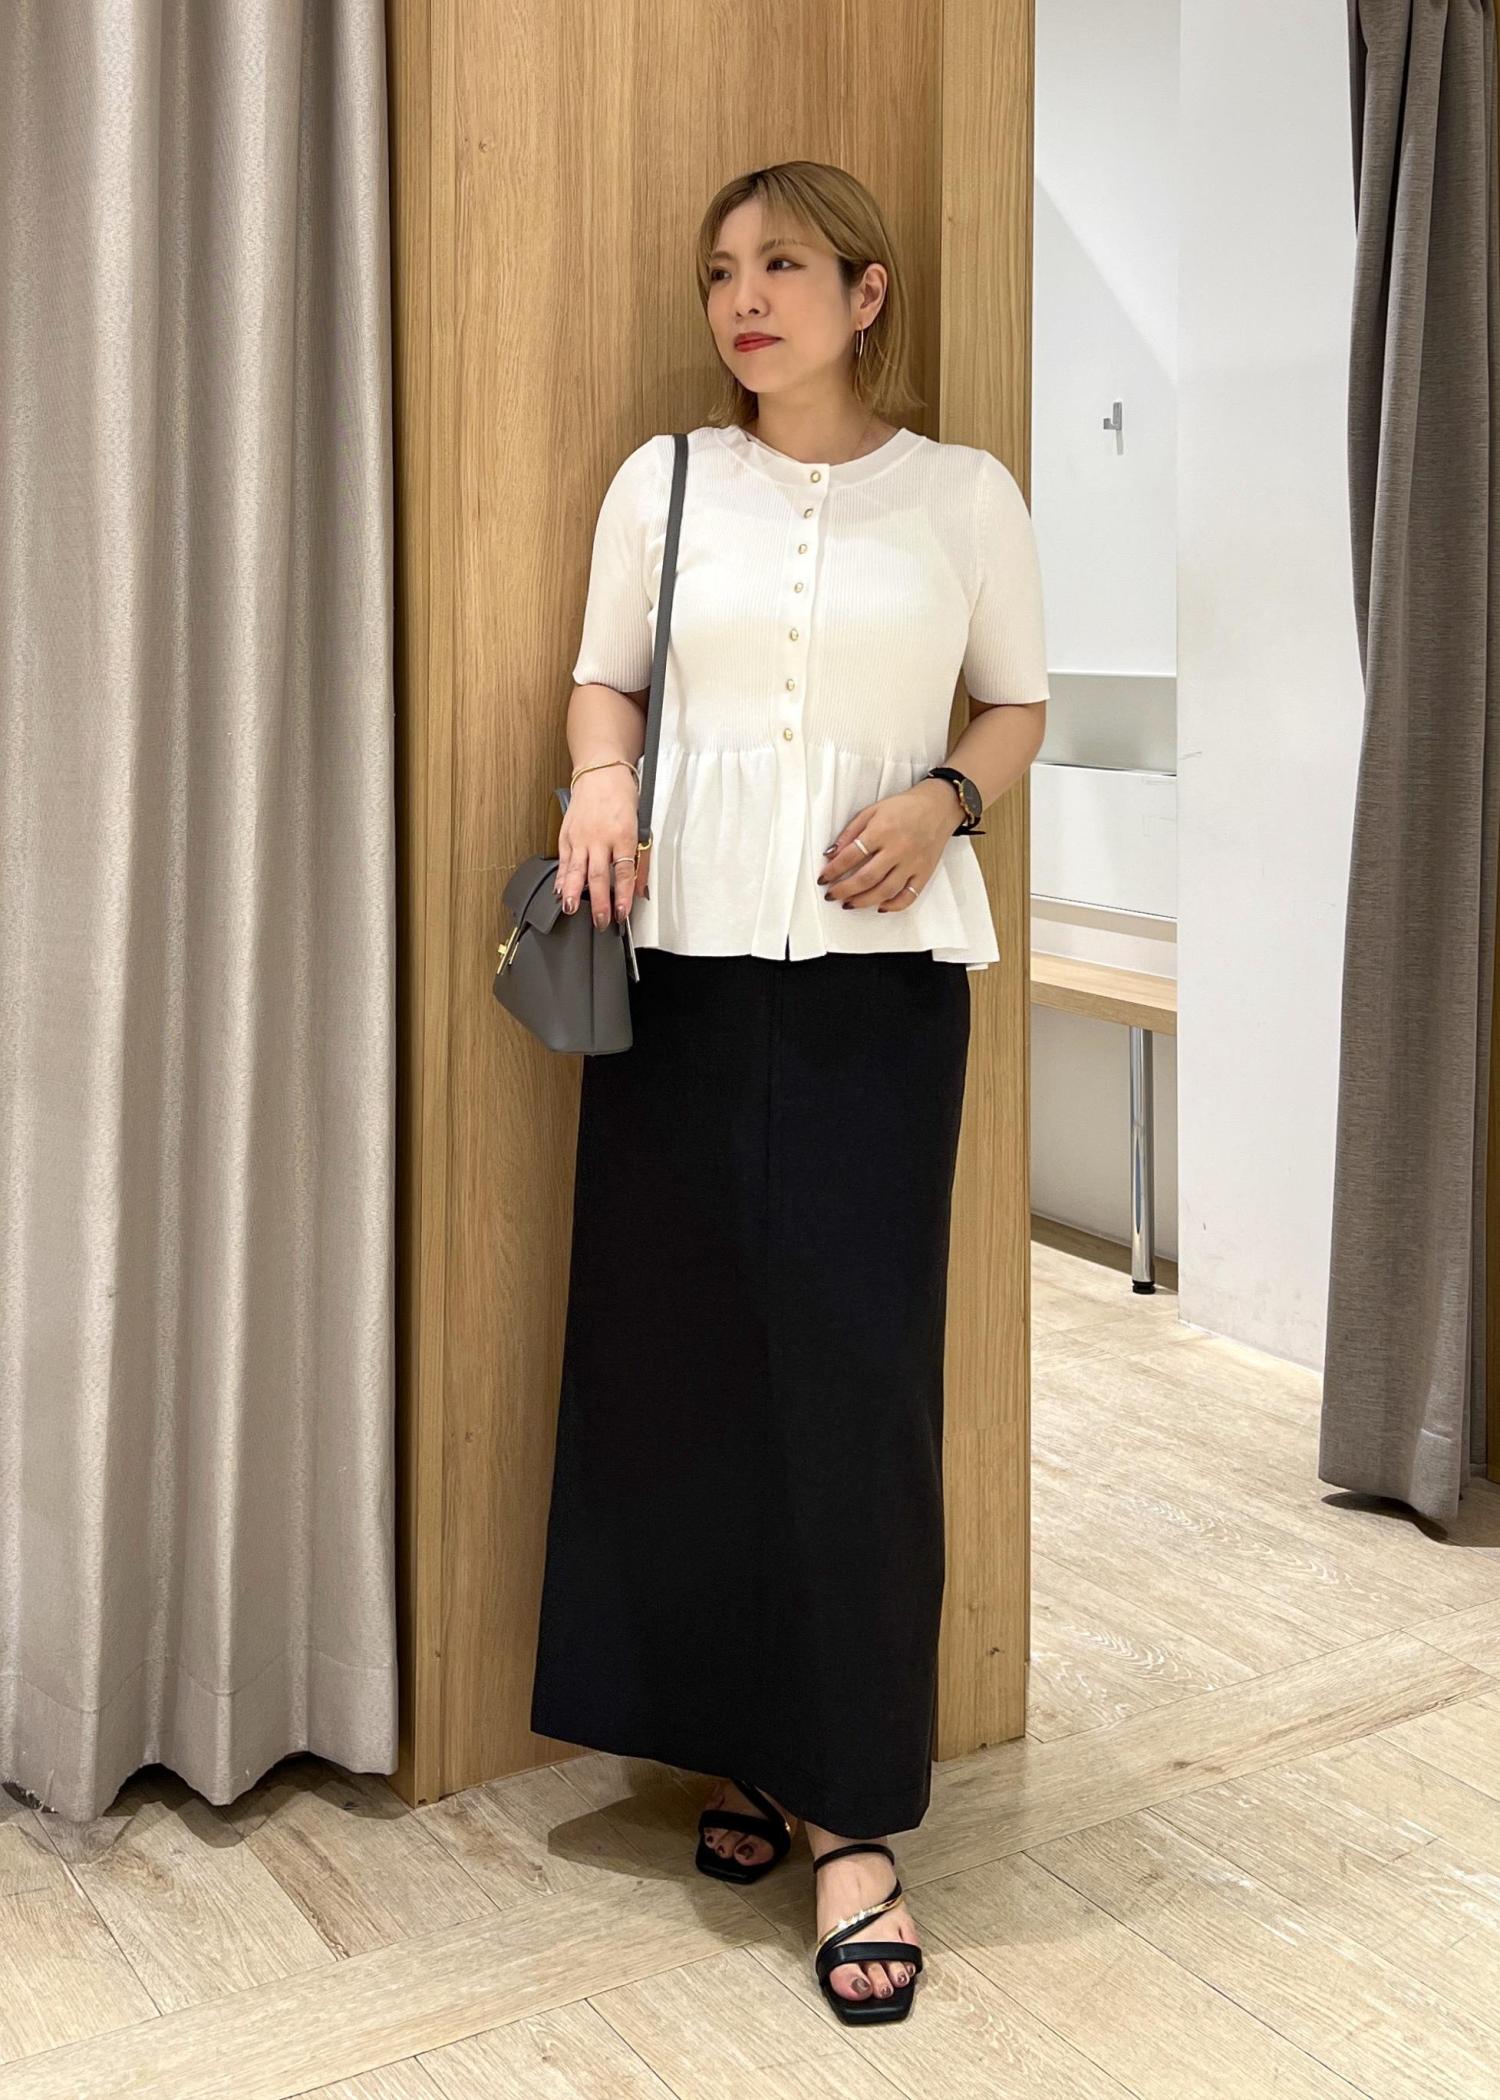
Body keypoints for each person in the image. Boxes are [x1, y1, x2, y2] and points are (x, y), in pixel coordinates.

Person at [529, 158, 1049, 2026]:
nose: (744, 299)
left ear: (867, 291)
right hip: (676, 974)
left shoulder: (965, 496)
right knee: (679, 1370)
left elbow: (1017, 703)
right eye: (719, 273)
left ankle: (854, 1820)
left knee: (857, 1388)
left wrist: (946, 803)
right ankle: (731, 1747)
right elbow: (604, 685)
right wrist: (603, 780)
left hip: (879, 994)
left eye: (783, 265)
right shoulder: (662, 481)